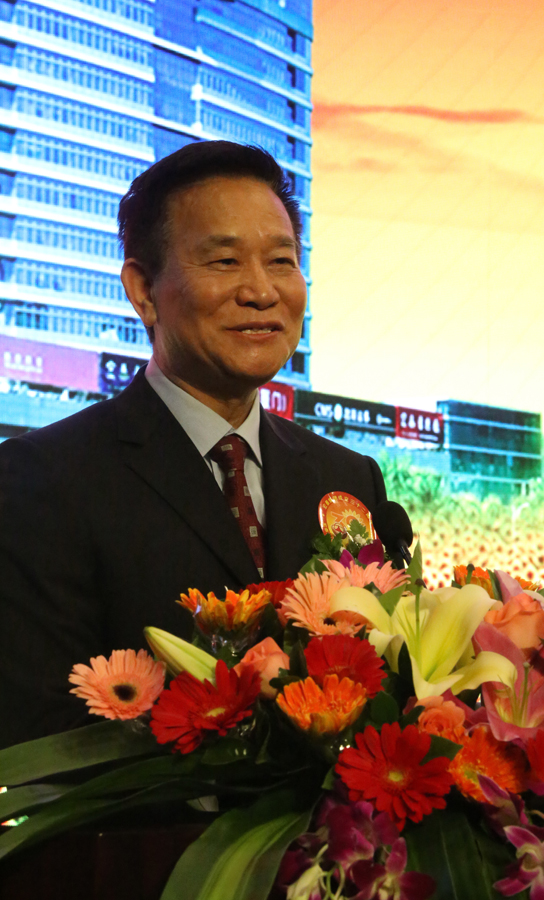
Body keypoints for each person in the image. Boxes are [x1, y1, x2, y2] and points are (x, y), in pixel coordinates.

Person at [0, 141, 387, 749]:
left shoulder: (348, 479)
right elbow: (44, 739)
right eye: (225, 261)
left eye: (281, 261)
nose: (261, 291)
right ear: (143, 290)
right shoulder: (42, 480)